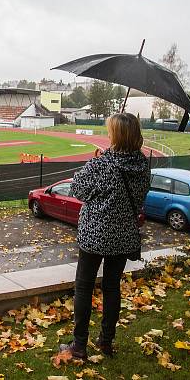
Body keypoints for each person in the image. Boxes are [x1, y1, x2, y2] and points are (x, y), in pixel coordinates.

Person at [59, 112, 150, 359]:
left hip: (95, 235)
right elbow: (139, 198)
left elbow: (77, 189)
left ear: (117, 135)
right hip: (123, 236)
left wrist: (95, 164)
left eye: (110, 131)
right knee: (112, 287)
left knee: (84, 286)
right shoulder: (143, 165)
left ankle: (79, 346)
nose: (107, 134)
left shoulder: (102, 164)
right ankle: (106, 342)